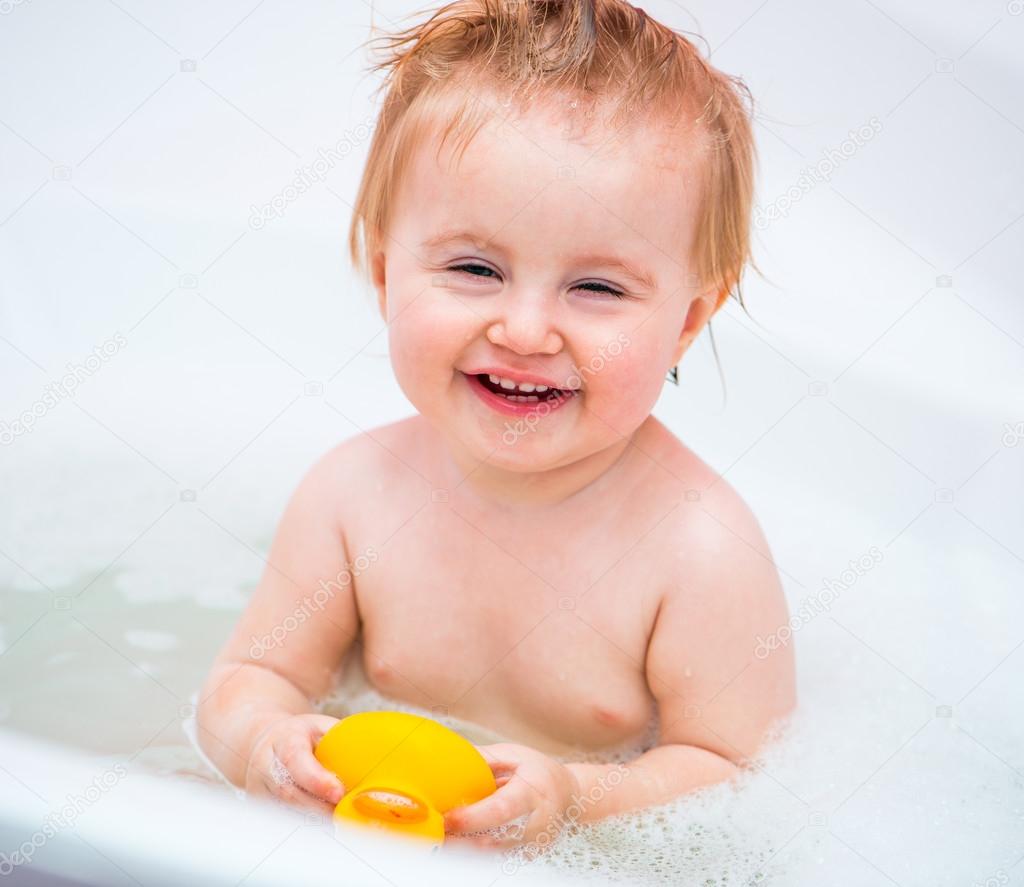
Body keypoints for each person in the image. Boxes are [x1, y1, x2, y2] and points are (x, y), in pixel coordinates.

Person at [197, 0, 796, 849]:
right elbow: (250, 676)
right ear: (381, 269)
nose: (524, 331)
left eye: (597, 288)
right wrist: (262, 743)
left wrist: (577, 798)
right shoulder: (353, 494)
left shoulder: (699, 550)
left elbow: (740, 776)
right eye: (476, 268)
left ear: (690, 318)